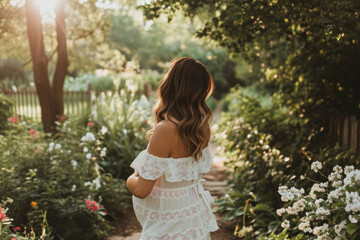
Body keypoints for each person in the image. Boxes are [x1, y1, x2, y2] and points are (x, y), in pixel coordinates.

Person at [126, 57, 219, 240]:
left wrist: (131, 179)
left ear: (171, 86)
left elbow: (141, 190)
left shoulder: (166, 129)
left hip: (170, 225)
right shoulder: (202, 128)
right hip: (193, 217)